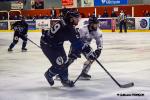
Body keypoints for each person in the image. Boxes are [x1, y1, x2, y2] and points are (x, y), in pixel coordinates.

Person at [40, 10, 97, 87]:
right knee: (60, 65)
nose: (78, 19)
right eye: (76, 18)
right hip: (48, 45)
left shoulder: (65, 23)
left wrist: (87, 50)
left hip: (56, 44)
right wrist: (89, 52)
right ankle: (48, 74)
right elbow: (78, 44)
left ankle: (64, 80)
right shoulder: (68, 28)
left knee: (64, 61)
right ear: (71, 19)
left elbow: (76, 41)